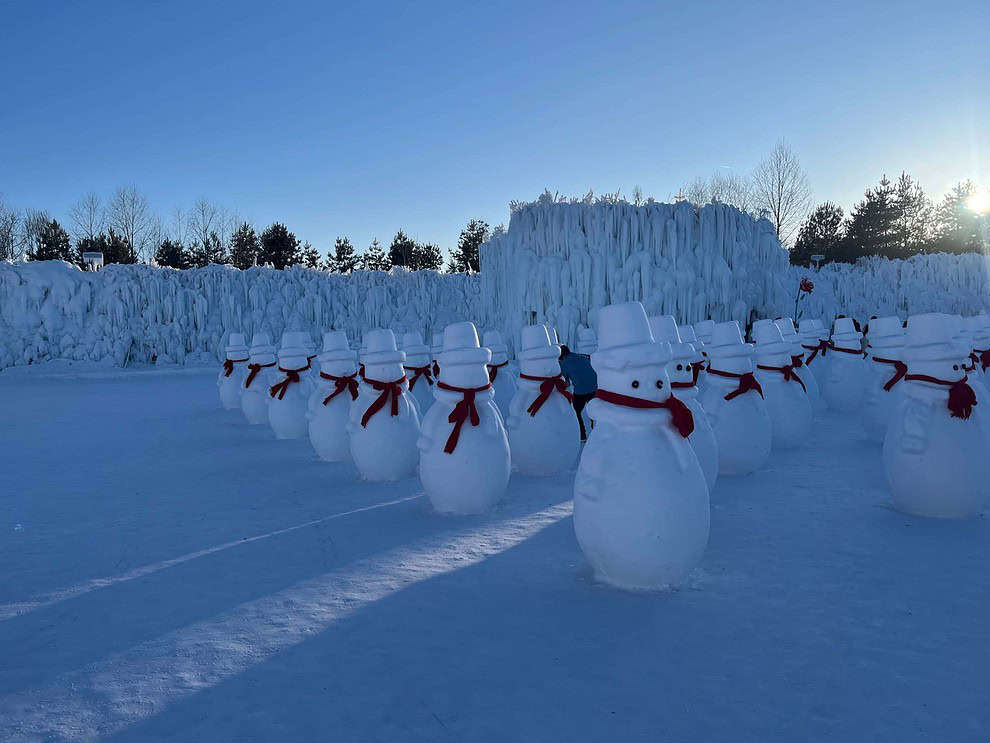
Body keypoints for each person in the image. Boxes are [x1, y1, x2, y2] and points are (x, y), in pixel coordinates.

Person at [559, 344, 598, 441]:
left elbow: (566, 383)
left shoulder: (564, 363)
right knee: (595, 411)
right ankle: (597, 431)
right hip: (595, 387)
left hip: (581, 391)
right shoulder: (582, 356)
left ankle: (582, 435)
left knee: (576, 412)